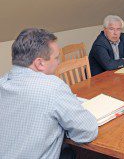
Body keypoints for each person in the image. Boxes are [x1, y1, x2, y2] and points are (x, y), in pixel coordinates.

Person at [0, 28, 98, 159]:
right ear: (40, 63)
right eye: (56, 58)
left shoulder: (3, 82)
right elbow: (87, 132)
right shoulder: (52, 86)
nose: (58, 62)